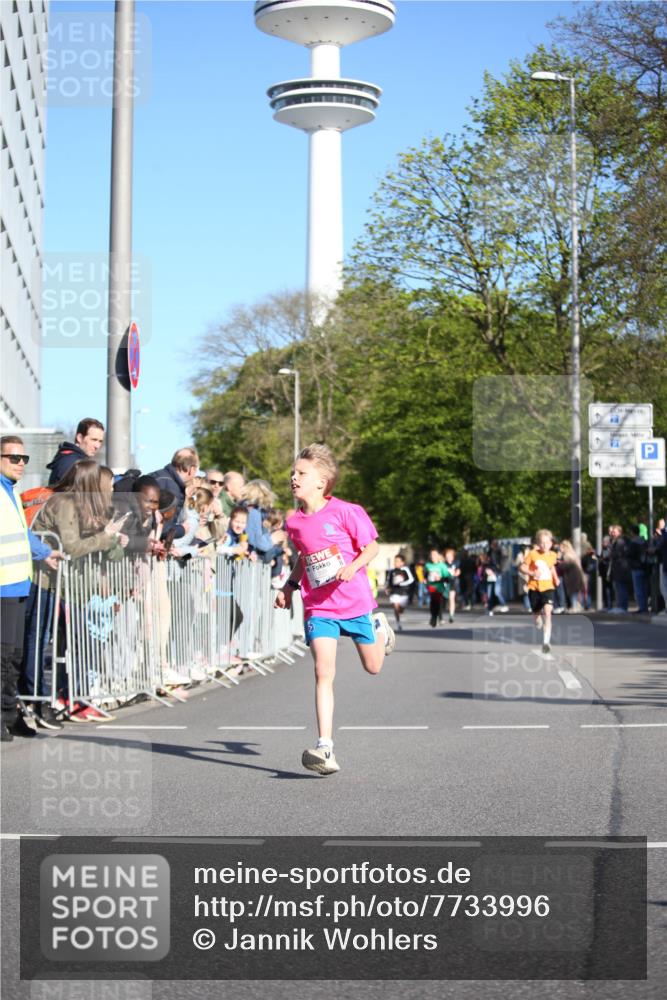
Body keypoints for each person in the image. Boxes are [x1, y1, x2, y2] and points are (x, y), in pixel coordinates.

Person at [275, 443, 394, 776]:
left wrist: (353, 566)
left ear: (322, 481)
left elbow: (371, 548)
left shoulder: (346, 511)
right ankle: (325, 746)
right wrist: (289, 587)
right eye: (293, 473)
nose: (293, 478)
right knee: (322, 672)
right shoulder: (294, 522)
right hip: (319, 606)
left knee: (373, 667)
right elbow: (302, 558)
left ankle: (381, 630)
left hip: (355, 602)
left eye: (301, 473)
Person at [1, 436, 65, 740]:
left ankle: (8, 714)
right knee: (3, 656)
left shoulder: (10, 492)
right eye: (14, 458)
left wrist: (45, 552)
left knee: (14, 656)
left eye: (24, 459)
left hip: (18, 584)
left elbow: (21, 535)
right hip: (2, 586)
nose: (20, 464)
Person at [520, 529, 559, 655]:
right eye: (542, 543)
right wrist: (531, 573)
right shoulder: (532, 554)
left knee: (548, 612)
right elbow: (522, 567)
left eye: (547, 543)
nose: (544, 545)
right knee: (537, 615)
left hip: (548, 587)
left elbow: (551, 567)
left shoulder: (553, 555)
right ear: (538, 543)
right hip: (534, 587)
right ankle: (537, 618)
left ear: (551, 543)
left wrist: (556, 578)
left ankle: (546, 642)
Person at [148, 447, 200, 535]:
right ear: (191, 469)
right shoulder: (171, 487)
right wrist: (182, 529)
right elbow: (162, 528)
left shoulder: (159, 475)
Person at [46, 418, 105, 485]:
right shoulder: (71, 463)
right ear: (79, 438)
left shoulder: (72, 459)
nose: (97, 446)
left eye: (100, 441)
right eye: (93, 440)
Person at [385, 554, 414, 631]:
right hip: (394, 592)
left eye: (398, 561)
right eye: (395, 561)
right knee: (396, 607)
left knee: (401, 610)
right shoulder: (391, 571)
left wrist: (402, 583)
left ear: (402, 563)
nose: (395, 563)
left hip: (404, 592)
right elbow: (388, 581)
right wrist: (387, 588)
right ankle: (398, 623)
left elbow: (411, 579)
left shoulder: (405, 570)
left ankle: (400, 611)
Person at [424, 548, 453, 627]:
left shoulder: (442, 566)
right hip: (431, 586)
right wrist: (425, 580)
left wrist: (440, 578)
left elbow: (447, 577)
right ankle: (434, 617)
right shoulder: (427, 565)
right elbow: (425, 575)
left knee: (438, 602)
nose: (433, 556)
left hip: (440, 586)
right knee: (433, 602)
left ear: (438, 556)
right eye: (431, 555)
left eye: (434, 555)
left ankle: (436, 617)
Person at [608, 524, 631, 612]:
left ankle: (622, 606)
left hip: (621, 567)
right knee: (619, 587)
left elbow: (618, 553)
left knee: (621, 587)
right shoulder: (618, 541)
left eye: (614, 532)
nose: (612, 534)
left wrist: (611, 553)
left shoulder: (620, 541)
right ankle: (621, 606)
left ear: (619, 532)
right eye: (612, 532)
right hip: (620, 567)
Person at [559, 540, 586, 612]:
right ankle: (577, 606)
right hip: (577, 575)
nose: (560, 549)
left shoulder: (567, 556)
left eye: (561, 548)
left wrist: (559, 563)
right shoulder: (573, 554)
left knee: (572, 592)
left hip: (571, 577)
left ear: (565, 547)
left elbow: (565, 566)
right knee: (576, 592)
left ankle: (574, 606)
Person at [628, 524, 649, 614]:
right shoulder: (643, 541)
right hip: (644, 567)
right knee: (643, 588)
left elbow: (630, 555)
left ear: (632, 532)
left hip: (636, 567)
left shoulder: (633, 543)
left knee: (638, 589)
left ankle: (642, 608)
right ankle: (645, 607)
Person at [443, 548, 461, 623]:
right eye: (447, 556)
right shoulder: (443, 564)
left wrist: (457, 572)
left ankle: (451, 616)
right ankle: (440, 615)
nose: (448, 558)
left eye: (449, 556)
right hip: (444, 583)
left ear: (453, 556)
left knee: (451, 599)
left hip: (453, 582)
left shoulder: (456, 563)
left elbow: (459, 571)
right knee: (443, 599)